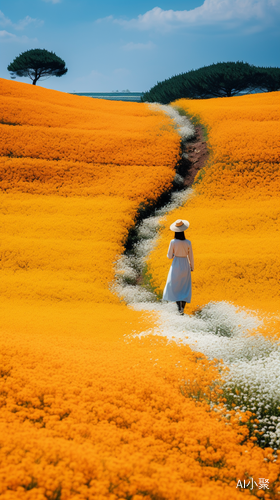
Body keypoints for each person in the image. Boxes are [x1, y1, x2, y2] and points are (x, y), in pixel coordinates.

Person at [162, 219, 194, 315]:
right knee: (184, 287)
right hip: (185, 264)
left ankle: (179, 308)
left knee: (175, 286)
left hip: (176, 264)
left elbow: (169, 256)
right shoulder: (188, 242)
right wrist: (192, 267)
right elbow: (191, 256)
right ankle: (182, 309)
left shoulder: (173, 242)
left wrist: (174, 255)